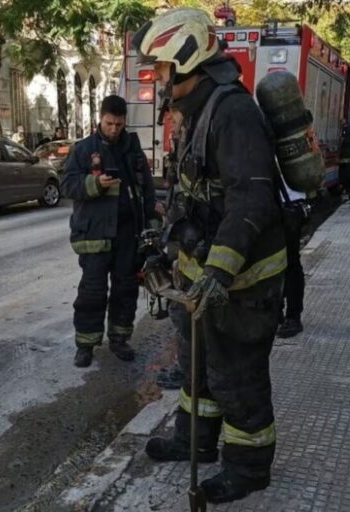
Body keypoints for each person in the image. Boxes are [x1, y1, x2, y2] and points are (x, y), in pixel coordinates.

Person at [133, 8, 288, 503]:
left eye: (160, 68)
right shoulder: (197, 111)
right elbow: (191, 193)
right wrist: (166, 246)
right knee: (199, 370)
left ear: (184, 59)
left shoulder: (233, 112)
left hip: (243, 285)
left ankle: (247, 471)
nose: (157, 80)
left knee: (237, 378)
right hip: (203, 281)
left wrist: (219, 270)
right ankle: (191, 442)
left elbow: (251, 199)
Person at [62, 95, 157, 367]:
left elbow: (146, 189)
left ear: (125, 121)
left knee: (125, 290)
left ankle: (119, 339)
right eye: (109, 123)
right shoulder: (83, 149)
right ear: (99, 119)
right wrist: (94, 184)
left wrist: (152, 221)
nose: (114, 129)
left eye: (118, 124)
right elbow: (68, 184)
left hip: (128, 234)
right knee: (92, 292)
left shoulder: (133, 150)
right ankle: (86, 345)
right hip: (94, 234)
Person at [278, 193, 308, 338]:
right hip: (279, 202)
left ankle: (293, 316)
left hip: (288, 203)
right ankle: (278, 312)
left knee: (290, 263)